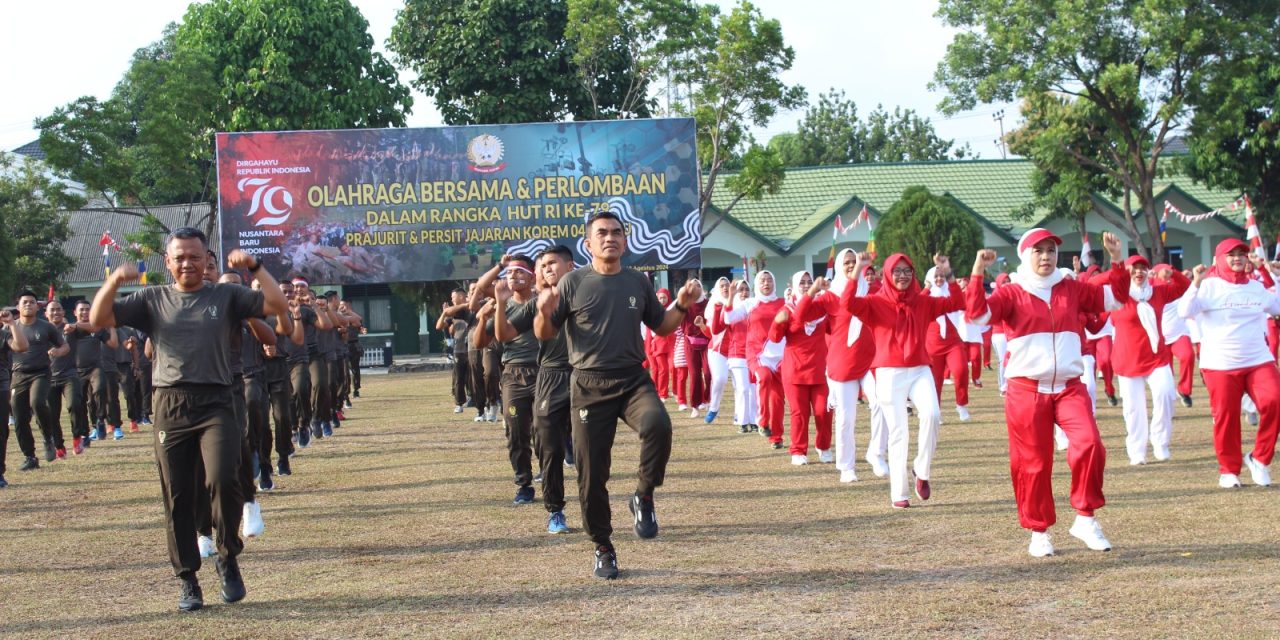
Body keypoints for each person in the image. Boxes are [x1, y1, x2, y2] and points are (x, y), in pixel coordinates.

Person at [90, 227, 287, 611]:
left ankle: (228, 558)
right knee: (178, 494)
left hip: (216, 400)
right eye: (179, 257)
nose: (187, 264)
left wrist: (256, 267)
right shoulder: (151, 299)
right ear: (167, 262)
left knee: (224, 478)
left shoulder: (227, 295)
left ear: (206, 260)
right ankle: (188, 580)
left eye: (194, 257)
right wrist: (114, 279)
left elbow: (276, 304)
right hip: (171, 403)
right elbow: (99, 319)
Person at [534, 210, 701, 580]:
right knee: (592, 475)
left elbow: (661, 326)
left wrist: (683, 304)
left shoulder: (637, 282)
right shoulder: (573, 283)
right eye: (602, 233)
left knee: (658, 425)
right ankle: (603, 546)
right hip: (589, 385)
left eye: (616, 232)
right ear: (589, 243)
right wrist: (544, 312)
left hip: (632, 380)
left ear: (625, 241)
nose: (610, 238)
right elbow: (545, 333)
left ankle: (643, 495)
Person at [966, 229, 1127, 557]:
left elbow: (1115, 299)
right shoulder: (1012, 293)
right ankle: (1039, 531)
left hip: (1069, 387)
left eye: (1051, 250)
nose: (1046, 256)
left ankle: (1085, 517)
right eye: (1038, 250)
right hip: (1026, 389)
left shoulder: (1071, 287)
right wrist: (977, 271)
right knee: (1034, 464)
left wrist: (1117, 260)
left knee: (1090, 444)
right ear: (1026, 255)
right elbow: (978, 315)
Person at [844, 254, 962, 509]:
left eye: (907, 271)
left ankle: (922, 469)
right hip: (888, 372)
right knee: (899, 432)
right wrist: (858, 270)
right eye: (896, 271)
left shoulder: (923, 301)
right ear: (887, 274)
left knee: (931, 414)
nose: (902, 276)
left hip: (920, 369)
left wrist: (947, 271)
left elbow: (958, 302)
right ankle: (900, 492)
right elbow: (848, 303)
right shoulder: (875, 302)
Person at [1177, 239, 1280, 489]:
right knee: (1227, 417)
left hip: (1258, 359)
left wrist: (1271, 275)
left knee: (1275, 400)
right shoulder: (1209, 286)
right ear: (1219, 258)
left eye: (1242, 254)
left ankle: (1259, 458)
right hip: (1219, 363)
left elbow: (1276, 306)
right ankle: (1229, 470)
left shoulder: (1255, 287)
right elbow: (1184, 311)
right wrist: (1196, 283)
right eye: (1231, 255)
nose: (1237, 258)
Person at [501, 245, 576, 532]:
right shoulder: (536, 302)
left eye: (551, 263)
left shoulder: (589, 291)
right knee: (543, 443)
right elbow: (504, 333)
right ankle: (553, 508)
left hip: (585, 376)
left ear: (569, 266)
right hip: (546, 376)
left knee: (590, 448)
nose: (547, 269)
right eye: (542, 265)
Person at [794, 249, 884, 483]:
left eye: (855, 262)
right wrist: (813, 290)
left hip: (871, 360)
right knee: (846, 417)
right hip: (843, 362)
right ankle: (846, 467)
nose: (852, 266)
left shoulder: (871, 291)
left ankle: (875, 452)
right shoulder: (831, 297)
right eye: (847, 262)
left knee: (881, 404)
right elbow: (802, 315)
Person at [1109, 255, 1190, 465]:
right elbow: (1096, 286)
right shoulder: (1118, 296)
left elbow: (1185, 287)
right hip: (1127, 360)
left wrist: (1173, 272)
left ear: (1148, 272)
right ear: (1127, 272)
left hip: (1156, 357)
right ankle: (1137, 450)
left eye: (1142, 269)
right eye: (1133, 269)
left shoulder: (1158, 292)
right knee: (1134, 408)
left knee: (1165, 394)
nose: (1138, 273)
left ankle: (1160, 440)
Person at [477, 255, 540, 504]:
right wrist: (483, 318)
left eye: (519, 271)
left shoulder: (543, 302)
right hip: (513, 374)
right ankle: (524, 484)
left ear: (532, 276)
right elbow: (480, 342)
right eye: (510, 273)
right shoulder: (503, 305)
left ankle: (548, 470)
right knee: (516, 432)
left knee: (544, 431)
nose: (513, 276)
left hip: (544, 372)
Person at [772, 271, 832, 466]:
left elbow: (836, 329)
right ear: (795, 285)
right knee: (799, 412)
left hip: (820, 370)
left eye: (809, 282)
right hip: (795, 370)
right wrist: (777, 322)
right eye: (802, 282)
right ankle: (798, 450)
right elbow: (774, 338)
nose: (806, 285)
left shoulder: (822, 308)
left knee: (824, 410)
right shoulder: (788, 309)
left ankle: (823, 446)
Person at [725, 270, 787, 447]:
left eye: (769, 280)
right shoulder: (750, 303)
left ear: (774, 282)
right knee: (764, 377)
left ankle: (776, 437)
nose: (766, 283)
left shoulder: (783, 303)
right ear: (756, 285)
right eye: (762, 280)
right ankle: (762, 420)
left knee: (777, 399)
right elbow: (729, 318)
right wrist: (730, 297)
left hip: (779, 356)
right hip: (757, 354)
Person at [11, 290, 68, 468]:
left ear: (38, 306)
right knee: (19, 418)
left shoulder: (46, 327)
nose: (28, 305)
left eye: (32, 302)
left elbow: (64, 346)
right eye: (25, 302)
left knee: (37, 402)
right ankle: (30, 457)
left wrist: (58, 351)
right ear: (18, 306)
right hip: (18, 376)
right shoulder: (10, 328)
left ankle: (48, 437)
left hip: (41, 373)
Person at [924, 266, 973, 421]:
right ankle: (936, 411)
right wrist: (926, 288)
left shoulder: (951, 294)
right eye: (936, 276)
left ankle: (961, 405)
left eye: (942, 276)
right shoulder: (926, 297)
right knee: (935, 381)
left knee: (961, 370)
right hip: (932, 344)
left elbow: (962, 302)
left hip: (953, 341)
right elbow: (915, 306)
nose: (939, 279)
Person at [711, 279, 758, 433]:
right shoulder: (731, 309)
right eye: (741, 289)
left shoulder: (755, 307)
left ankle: (754, 420)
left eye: (747, 289)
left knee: (753, 389)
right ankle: (742, 422)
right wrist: (719, 307)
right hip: (737, 354)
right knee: (743, 389)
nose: (744, 293)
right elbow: (717, 329)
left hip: (754, 354)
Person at [1154, 263, 1198, 407]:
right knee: (1166, 373)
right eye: (1163, 273)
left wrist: (1173, 274)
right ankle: (1168, 402)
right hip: (1160, 338)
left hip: (1179, 333)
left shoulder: (1176, 288)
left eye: (1168, 272)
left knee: (1188, 356)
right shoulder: (1152, 290)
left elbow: (1187, 284)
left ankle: (1184, 390)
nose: (1166, 276)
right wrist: (1154, 276)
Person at [0, 307, 29, 487]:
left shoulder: (3, 334)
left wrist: (11, 323)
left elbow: (22, 346)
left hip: (0, 385)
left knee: (1, 430)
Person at [702, 277, 733, 424]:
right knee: (720, 379)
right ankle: (713, 408)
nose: (725, 288)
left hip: (737, 350)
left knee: (742, 384)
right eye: (722, 286)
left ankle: (744, 416)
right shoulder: (713, 306)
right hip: (717, 350)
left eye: (727, 285)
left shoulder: (738, 303)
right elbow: (710, 333)